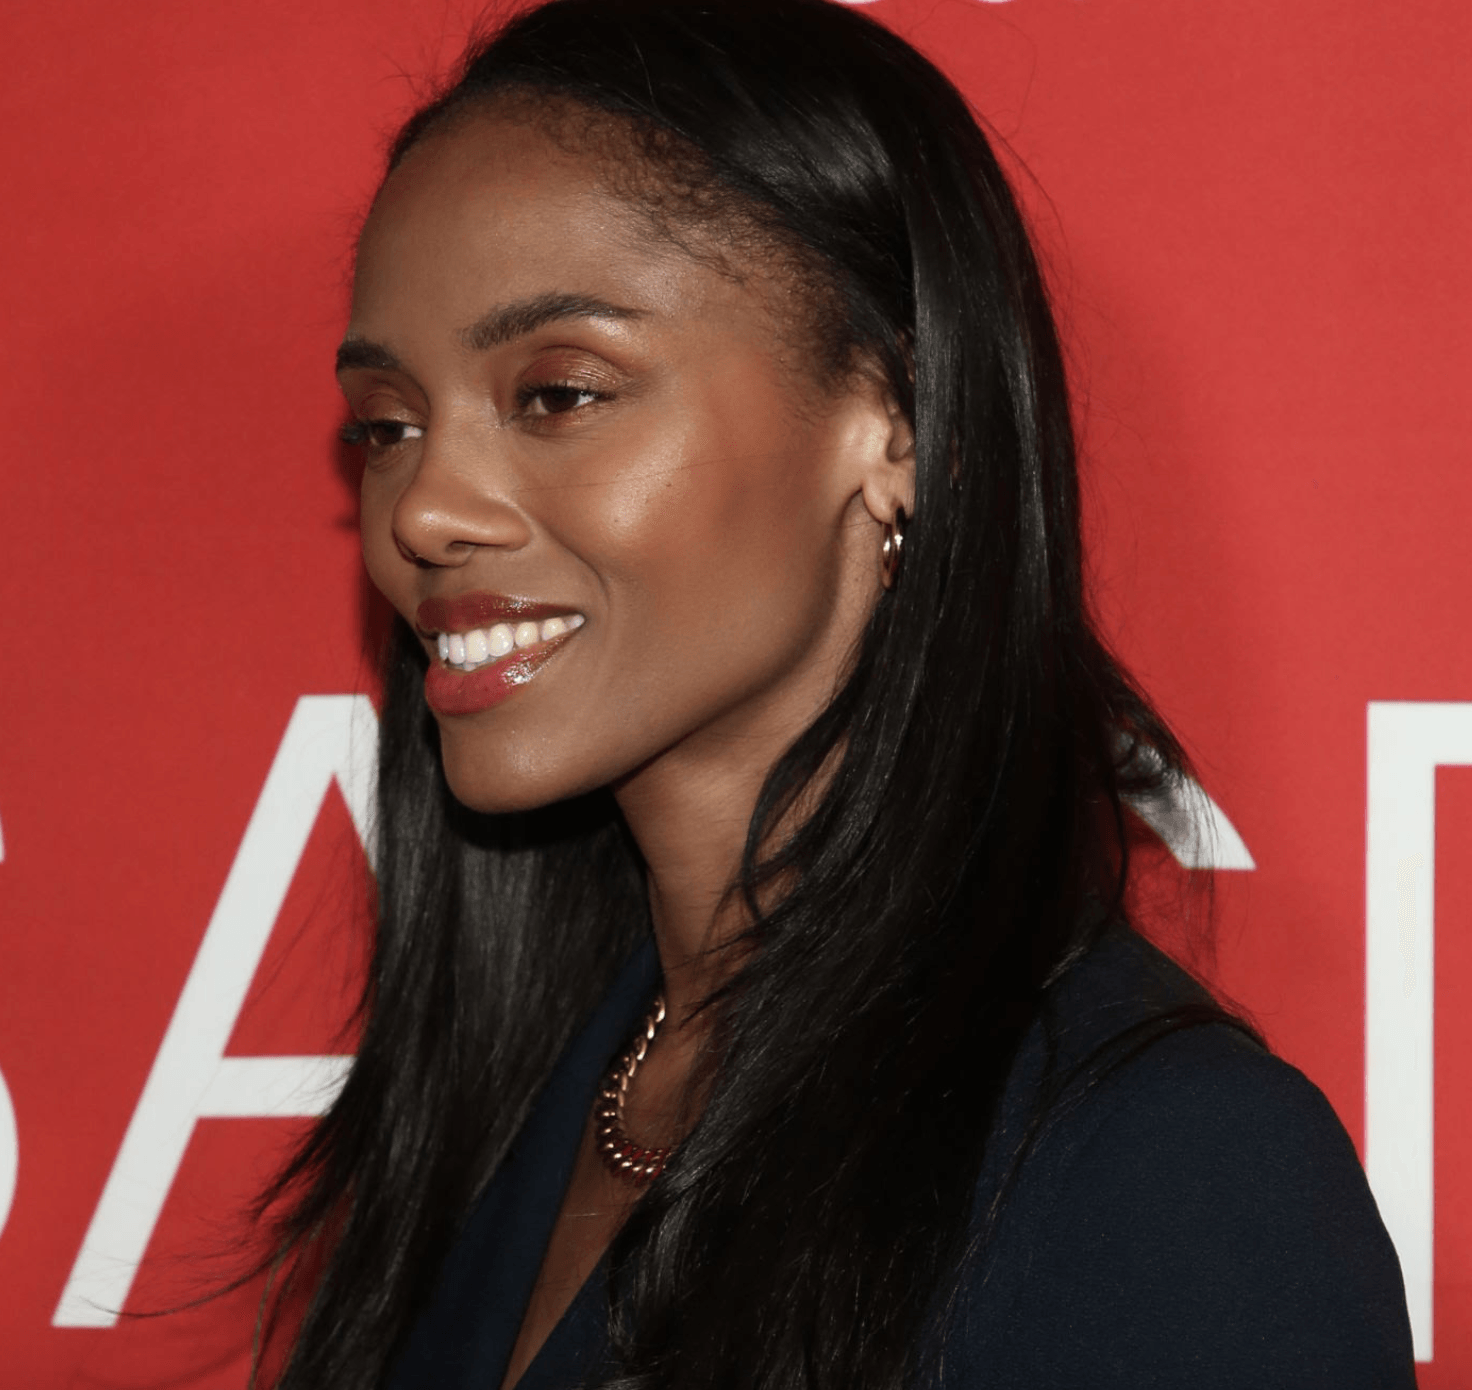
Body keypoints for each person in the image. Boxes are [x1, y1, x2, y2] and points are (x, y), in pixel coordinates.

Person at [255, 1, 1416, 1386]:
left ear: (894, 419)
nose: (424, 508)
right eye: (387, 425)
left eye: (558, 394)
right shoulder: (512, 1101)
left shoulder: (1162, 1173)